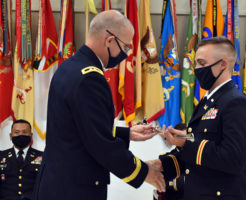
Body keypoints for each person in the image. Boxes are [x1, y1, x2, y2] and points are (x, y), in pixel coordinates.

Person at [33, 10, 165, 200]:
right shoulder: (90, 78)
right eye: (126, 47)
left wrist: (127, 134)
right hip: (75, 190)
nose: (127, 54)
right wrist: (145, 173)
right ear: (109, 40)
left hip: (58, 182)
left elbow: (79, 128)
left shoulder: (70, 66)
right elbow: (101, 145)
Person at [150, 36, 246, 200]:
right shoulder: (207, 102)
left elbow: (233, 159)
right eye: (196, 64)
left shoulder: (237, 103)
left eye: (202, 64)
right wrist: (163, 164)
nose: (196, 69)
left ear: (223, 64)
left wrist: (186, 142)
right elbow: (200, 142)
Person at [0, 119, 43, 200]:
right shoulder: (1, 156)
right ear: (10, 136)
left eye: (24, 132)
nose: (21, 135)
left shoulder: (42, 157)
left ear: (31, 135)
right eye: (17, 132)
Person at [154, 123, 186, 200]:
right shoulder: (166, 158)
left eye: (186, 135)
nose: (186, 138)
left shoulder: (197, 153)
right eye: (181, 135)